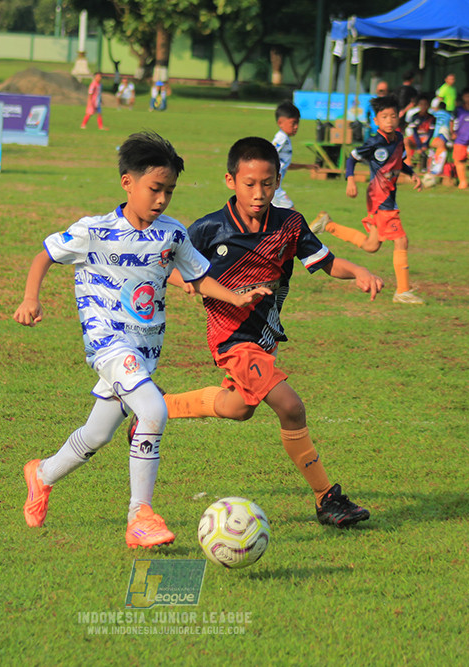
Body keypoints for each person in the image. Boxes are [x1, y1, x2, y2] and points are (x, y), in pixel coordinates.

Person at [16, 131, 270, 547]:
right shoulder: (93, 231)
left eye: (169, 191)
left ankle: (41, 475)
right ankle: (140, 516)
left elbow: (199, 277)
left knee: (97, 435)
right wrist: (30, 298)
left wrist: (238, 297)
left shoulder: (170, 234)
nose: (162, 200)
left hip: (145, 351)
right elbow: (45, 255)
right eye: (155, 189)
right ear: (127, 183)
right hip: (108, 345)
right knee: (152, 410)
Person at [154, 136, 383, 528]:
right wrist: (190, 283)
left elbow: (325, 262)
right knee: (291, 407)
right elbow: (167, 266)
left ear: (278, 181)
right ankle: (326, 499)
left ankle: (159, 408)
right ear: (230, 180)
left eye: (267, 183)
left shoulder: (289, 224)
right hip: (231, 338)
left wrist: (358, 271)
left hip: (264, 336)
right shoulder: (210, 229)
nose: (258, 193)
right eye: (249, 184)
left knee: (240, 408)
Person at [312, 95, 424, 305]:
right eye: (384, 117)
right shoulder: (374, 141)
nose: (389, 120)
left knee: (372, 245)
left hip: (385, 196)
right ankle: (402, 291)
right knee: (401, 240)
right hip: (380, 198)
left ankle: (329, 225)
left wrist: (412, 174)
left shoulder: (398, 139)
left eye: (393, 116)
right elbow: (351, 158)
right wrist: (350, 180)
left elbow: (399, 162)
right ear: (376, 121)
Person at [271, 101, 314, 209]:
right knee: (292, 213)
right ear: (280, 122)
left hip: (273, 186)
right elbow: (268, 153)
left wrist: (306, 166)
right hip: (273, 187)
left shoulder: (285, 138)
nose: (296, 127)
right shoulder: (281, 138)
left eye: (298, 123)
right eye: (293, 123)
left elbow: (285, 164)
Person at [403, 93, 435, 172]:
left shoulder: (431, 118)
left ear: (429, 105)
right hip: (417, 139)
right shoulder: (415, 117)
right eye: (421, 104)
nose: (423, 106)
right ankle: (408, 164)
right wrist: (419, 146)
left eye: (425, 104)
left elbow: (431, 133)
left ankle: (435, 167)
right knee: (405, 141)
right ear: (418, 105)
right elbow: (414, 132)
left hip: (427, 138)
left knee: (440, 143)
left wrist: (425, 144)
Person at [428, 96, 453, 176]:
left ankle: (430, 168)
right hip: (443, 136)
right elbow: (451, 127)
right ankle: (438, 169)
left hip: (433, 137)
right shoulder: (449, 115)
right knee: (442, 148)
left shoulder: (433, 113)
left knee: (432, 151)